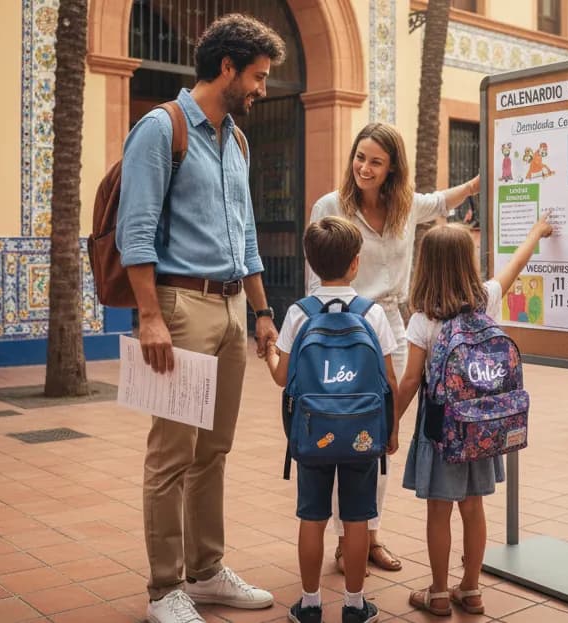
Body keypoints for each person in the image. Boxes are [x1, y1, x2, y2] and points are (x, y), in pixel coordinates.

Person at [115, 14, 285, 623]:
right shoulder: (162, 128)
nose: (263, 89)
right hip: (181, 308)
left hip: (235, 308)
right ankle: (165, 590)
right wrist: (151, 316)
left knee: (214, 449)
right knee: (172, 454)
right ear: (227, 68)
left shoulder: (236, 139)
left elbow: (248, 235)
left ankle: (206, 572)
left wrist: (263, 313)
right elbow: (134, 228)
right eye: (259, 77)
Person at [307, 122, 479, 574]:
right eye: (359, 157)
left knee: (380, 436)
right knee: (344, 431)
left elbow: (446, 200)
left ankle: (368, 536)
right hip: (344, 329)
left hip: (394, 327)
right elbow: (315, 280)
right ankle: (348, 540)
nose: (364, 168)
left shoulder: (405, 207)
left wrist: (490, 179)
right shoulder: (330, 206)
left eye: (375, 162)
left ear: (392, 169)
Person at [396, 215, 552, 616]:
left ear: (425, 264)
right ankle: (471, 588)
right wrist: (537, 232)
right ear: (468, 261)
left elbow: (412, 380)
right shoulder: (485, 298)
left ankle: (438, 592)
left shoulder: (423, 319)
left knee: (438, 510)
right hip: (481, 429)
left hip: (439, 432)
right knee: (473, 507)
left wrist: (391, 422)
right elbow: (515, 265)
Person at [264, 216, 398, 623]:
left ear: (310, 263)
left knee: (312, 516)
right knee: (357, 517)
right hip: (361, 434)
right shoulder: (372, 314)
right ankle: (356, 605)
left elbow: (282, 376)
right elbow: (388, 381)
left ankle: (309, 603)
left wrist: (271, 350)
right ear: (355, 263)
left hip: (311, 433)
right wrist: (389, 431)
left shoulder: (298, 314)